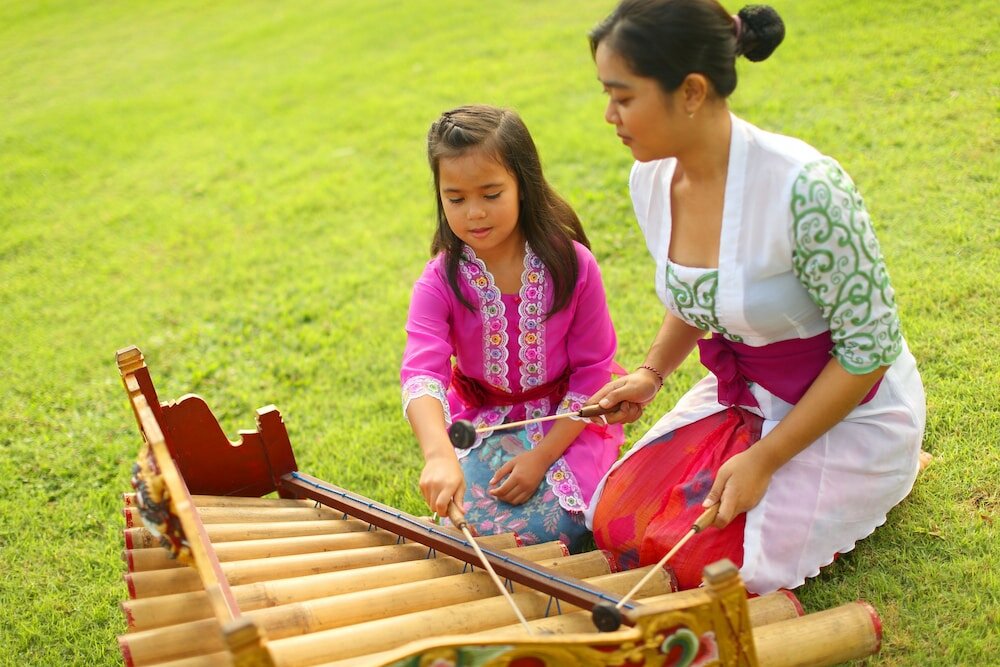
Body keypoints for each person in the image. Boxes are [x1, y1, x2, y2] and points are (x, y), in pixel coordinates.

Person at [583, 0, 926, 592]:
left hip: (851, 407)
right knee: (615, 519)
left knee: (712, 569)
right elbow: (699, 294)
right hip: (747, 396)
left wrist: (765, 460)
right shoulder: (652, 177)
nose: (609, 115)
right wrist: (650, 373)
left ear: (690, 91)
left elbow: (868, 350)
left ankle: (888, 471)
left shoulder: (807, 190)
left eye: (624, 96)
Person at [400, 105, 624, 552]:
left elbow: (593, 374)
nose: (474, 214)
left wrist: (540, 459)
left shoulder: (572, 265)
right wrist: (439, 454)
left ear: (524, 184)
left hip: (570, 420)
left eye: (491, 193)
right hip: (483, 425)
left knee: (563, 527)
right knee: (465, 531)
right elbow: (422, 374)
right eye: (456, 198)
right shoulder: (440, 280)